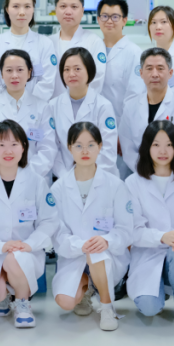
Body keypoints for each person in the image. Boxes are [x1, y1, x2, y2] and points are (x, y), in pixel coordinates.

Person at [0, 120, 58, 328]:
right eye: (1, 145)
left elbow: (49, 221)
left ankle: (22, 302)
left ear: (24, 147)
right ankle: (4, 294)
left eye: (14, 144)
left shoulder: (36, 181)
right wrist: (1, 246)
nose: (8, 151)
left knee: (14, 260)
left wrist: (29, 244)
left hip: (25, 251)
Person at [50, 122, 133, 331]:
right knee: (65, 301)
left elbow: (126, 229)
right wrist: (80, 245)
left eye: (91, 145)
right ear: (69, 148)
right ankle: (88, 287)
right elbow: (56, 232)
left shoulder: (115, 185)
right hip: (74, 255)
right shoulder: (58, 188)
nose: (85, 151)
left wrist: (107, 240)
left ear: (100, 146)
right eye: (78, 146)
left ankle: (107, 306)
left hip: (107, 255)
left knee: (96, 253)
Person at [125, 121, 174, 329]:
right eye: (156, 145)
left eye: (169, 145)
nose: (163, 151)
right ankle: (158, 289)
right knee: (149, 308)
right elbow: (133, 230)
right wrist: (162, 237)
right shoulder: (133, 183)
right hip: (148, 254)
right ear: (147, 147)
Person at [0, 49, 57, 179]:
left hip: (34, 178)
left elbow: (48, 149)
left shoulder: (43, 107)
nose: (14, 75)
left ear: (29, 73)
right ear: (1, 74)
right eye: (8, 70)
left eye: (20, 70)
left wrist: (25, 176)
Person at [120, 48, 174, 176]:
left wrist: (165, 173)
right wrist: (147, 172)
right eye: (149, 68)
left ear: (170, 73)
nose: (155, 74)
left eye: (160, 68)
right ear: (141, 73)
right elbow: (128, 149)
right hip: (141, 175)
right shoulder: (130, 106)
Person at [51, 47, 118, 179]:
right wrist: (67, 177)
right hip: (64, 177)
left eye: (77, 69)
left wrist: (87, 176)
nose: (71, 74)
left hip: (100, 177)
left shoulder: (103, 106)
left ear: (89, 70)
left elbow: (108, 150)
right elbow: (52, 147)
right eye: (66, 69)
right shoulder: (53, 106)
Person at [0, 0, 57, 102]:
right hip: (1, 109)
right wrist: (9, 107)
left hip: (35, 109)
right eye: (16, 6)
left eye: (27, 6)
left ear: (33, 9)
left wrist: (26, 107)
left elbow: (46, 84)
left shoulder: (45, 44)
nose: (22, 12)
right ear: (7, 9)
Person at [49, 0, 107, 97]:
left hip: (83, 104)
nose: (68, 12)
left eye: (74, 7)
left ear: (82, 11)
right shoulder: (48, 43)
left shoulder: (94, 42)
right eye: (63, 6)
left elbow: (97, 80)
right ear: (56, 10)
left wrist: (77, 102)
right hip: (52, 104)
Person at [96, 0, 144, 121]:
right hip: (94, 121)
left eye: (115, 17)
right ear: (98, 19)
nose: (109, 21)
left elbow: (135, 95)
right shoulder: (92, 49)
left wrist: (125, 127)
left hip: (121, 122)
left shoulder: (134, 53)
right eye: (104, 16)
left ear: (124, 20)